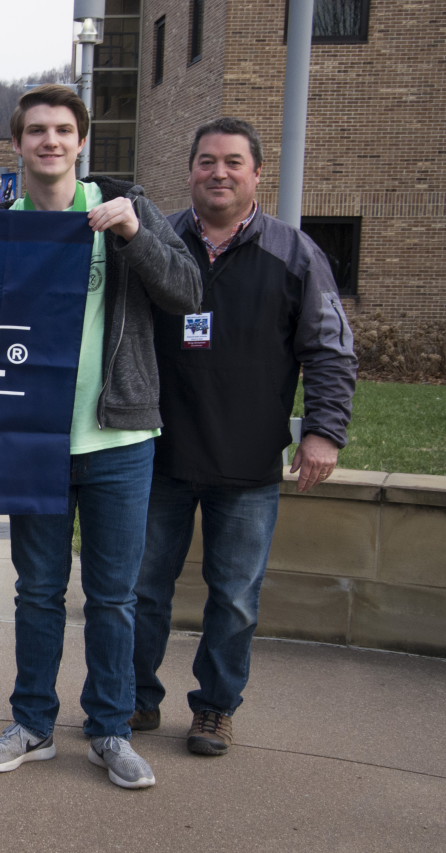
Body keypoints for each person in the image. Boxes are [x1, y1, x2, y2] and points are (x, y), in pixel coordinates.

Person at [0, 85, 202, 790]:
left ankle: (108, 729)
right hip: (32, 441)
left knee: (113, 596)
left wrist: (134, 236)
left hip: (119, 438)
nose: (50, 141)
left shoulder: (124, 208)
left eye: (63, 130)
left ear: (81, 140)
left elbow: (189, 292)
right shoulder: (0, 224)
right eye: (36, 130)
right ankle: (33, 725)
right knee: (37, 592)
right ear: (18, 144)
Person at [130, 117, 356, 756]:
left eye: (233, 162)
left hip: (249, 461)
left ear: (257, 173)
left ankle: (215, 709)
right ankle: (137, 698)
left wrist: (323, 433)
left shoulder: (295, 253)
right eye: (207, 162)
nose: (219, 173)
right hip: (158, 455)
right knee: (141, 589)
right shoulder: (158, 239)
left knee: (233, 599)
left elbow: (332, 350)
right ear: (192, 170)